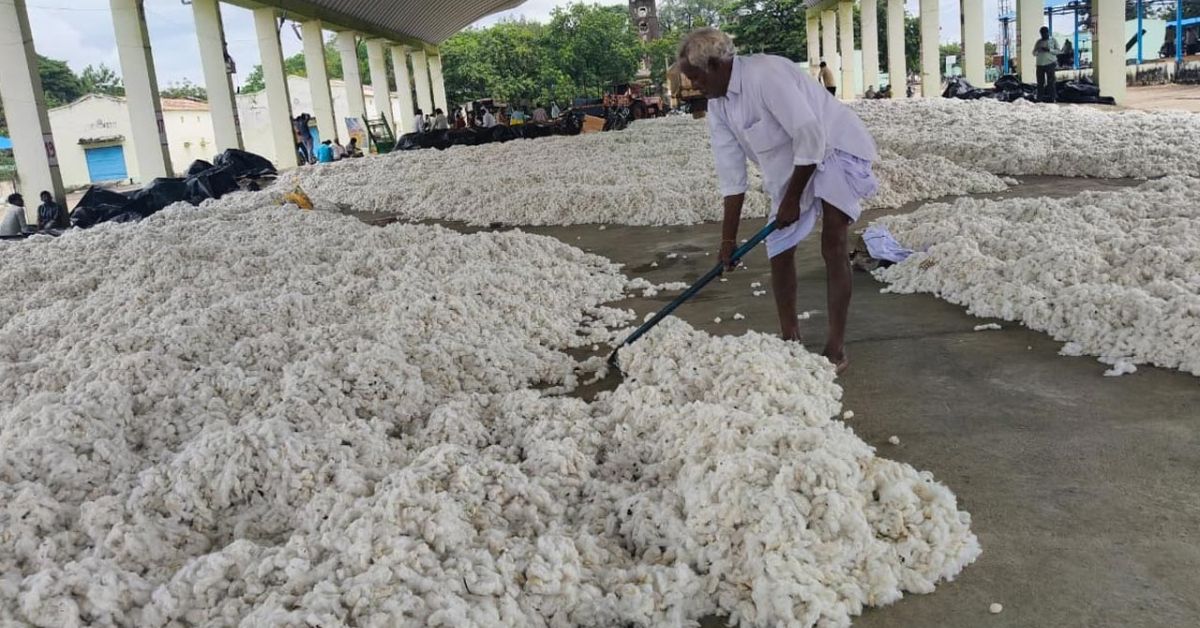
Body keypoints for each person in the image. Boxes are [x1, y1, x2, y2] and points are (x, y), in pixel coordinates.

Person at [678, 27, 878, 374]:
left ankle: (835, 347)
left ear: (714, 65)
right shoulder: (719, 107)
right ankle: (790, 339)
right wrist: (727, 241)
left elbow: (811, 136)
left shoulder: (765, 75)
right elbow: (732, 176)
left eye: (695, 77)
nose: (693, 86)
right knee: (779, 249)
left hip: (834, 148)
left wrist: (793, 200)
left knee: (833, 242)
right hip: (790, 168)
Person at [1033, 26, 1059, 103]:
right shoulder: (1038, 42)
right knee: (1040, 82)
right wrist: (1038, 50)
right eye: (1042, 34)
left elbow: (1058, 51)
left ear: (1048, 33)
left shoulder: (1053, 40)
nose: (1044, 35)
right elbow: (1034, 53)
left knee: (1051, 82)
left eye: (1045, 33)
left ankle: (1052, 98)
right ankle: (1039, 98)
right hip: (1040, 64)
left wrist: (1049, 50)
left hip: (1050, 63)